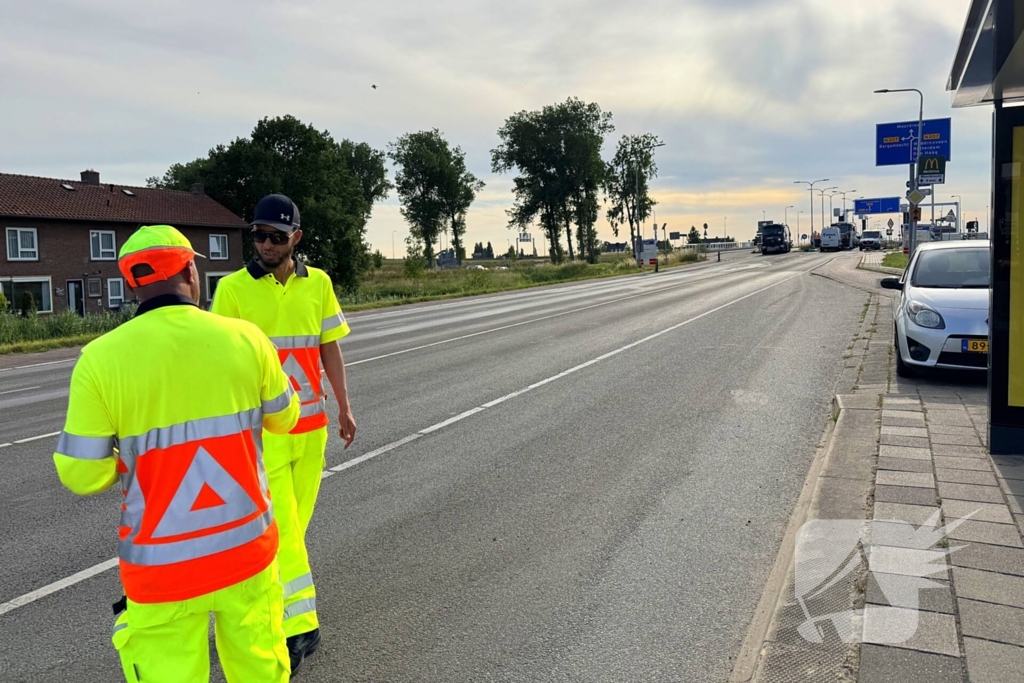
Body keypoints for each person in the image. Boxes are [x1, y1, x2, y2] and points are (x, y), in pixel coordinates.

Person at [53, 225, 300, 682]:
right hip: (246, 552)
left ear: (132, 285)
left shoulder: (100, 360)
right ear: (191, 271)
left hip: (161, 569)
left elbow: (81, 474)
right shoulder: (247, 339)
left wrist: (126, 462)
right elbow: (285, 418)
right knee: (261, 671)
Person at [212, 194, 356, 674]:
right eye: (258, 235)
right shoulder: (231, 291)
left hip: (311, 430)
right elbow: (225, 366)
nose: (266, 244)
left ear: (296, 237)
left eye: (276, 236)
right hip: (264, 433)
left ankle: (269, 609)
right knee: (284, 533)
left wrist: (345, 407)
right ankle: (298, 628)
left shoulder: (318, 285)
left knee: (295, 528)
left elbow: (328, 347)